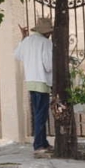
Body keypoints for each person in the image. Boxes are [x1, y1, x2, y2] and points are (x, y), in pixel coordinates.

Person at [13, 16, 55, 153]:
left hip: (31, 81)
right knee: (41, 115)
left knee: (38, 113)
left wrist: (23, 37)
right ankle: (38, 146)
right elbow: (48, 66)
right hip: (42, 80)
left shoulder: (27, 41)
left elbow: (17, 55)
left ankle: (43, 142)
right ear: (47, 32)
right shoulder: (46, 43)